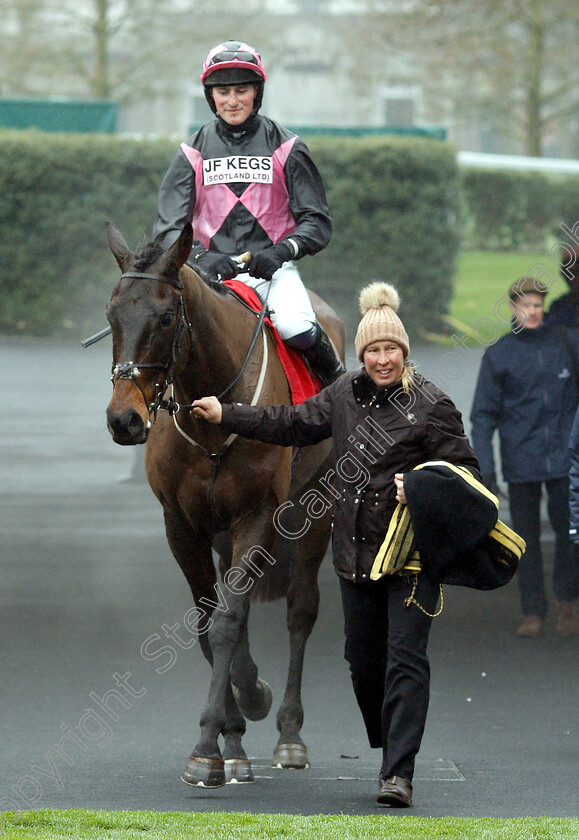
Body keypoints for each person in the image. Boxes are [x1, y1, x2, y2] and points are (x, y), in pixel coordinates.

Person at [192, 281, 480, 808]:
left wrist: (417, 486)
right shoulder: (343, 394)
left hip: (412, 559)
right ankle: (391, 740)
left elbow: (466, 474)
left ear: (404, 352)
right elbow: (291, 422)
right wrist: (227, 414)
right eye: (373, 350)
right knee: (363, 663)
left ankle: (397, 772)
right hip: (356, 560)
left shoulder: (432, 405)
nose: (382, 358)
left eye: (391, 349)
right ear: (363, 355)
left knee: (405, 662)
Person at [153, 39, 344, 387]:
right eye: (223, 91)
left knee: (296, 327)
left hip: (273, 274)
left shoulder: (288, 147)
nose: (232, 100)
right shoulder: (189, 153)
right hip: (207, 276)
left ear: (257, 93)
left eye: (242, 90)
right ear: (211, 97)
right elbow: (167, 229)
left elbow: (317, 222)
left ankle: (342, 393)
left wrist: (281, 251)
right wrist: (200, 258)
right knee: (162, 332)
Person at [470, 276, 579, 638]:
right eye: (524, 305)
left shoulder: (567, 344)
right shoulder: (499, 355)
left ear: (543, 308)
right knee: (525, 541)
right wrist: (487, 470)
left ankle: (567, 603)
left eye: (536, 305)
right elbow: (482, 417)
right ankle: (533, 611)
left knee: (570, 534)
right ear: (513, 308)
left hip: (566, 460)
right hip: (521, 461)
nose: (531, 312)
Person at [547, 243, 579, 328]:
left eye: (575, 272)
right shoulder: (559, 306)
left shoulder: (559, 306)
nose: (572, 279)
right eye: (567, 273)